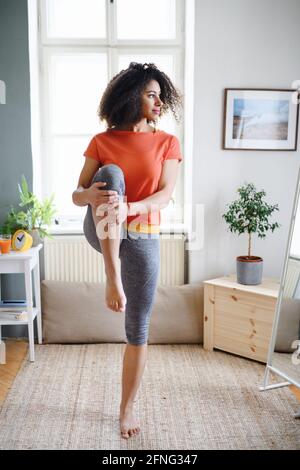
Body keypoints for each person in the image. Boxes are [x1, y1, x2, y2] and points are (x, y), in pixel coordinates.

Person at [72, 62, 183, 439]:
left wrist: (130, 208)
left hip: (142, 234)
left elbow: (165, 196)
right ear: (131, 95)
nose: (158, 101)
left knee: (138, 328)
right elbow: (78, 193)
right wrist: (90, 195)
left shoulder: (167, 142)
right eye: (151, 93)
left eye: (160, 95)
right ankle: (111, 278)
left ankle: (127, 408)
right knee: (113, 175)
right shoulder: (102, 141)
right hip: (101, 229)